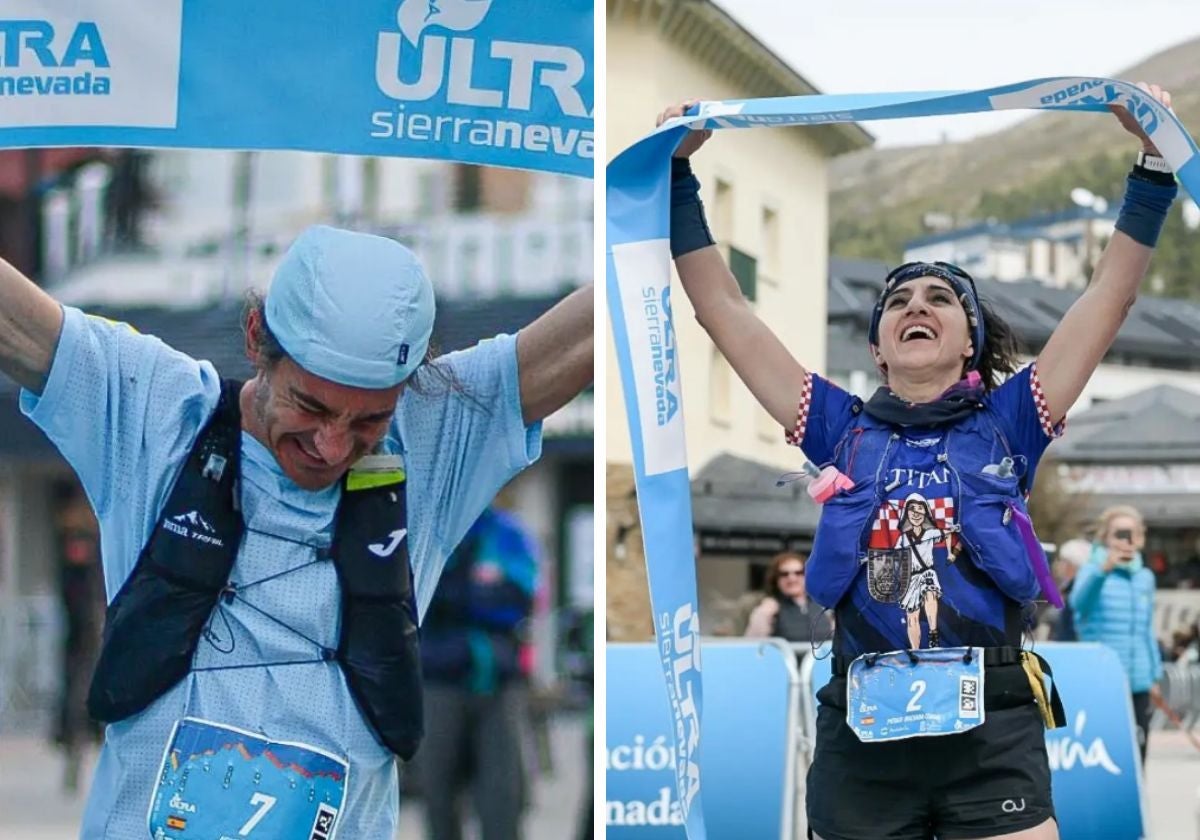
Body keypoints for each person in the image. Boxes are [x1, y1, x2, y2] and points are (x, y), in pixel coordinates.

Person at [658, 82, 1178, 840]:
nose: (916, 306)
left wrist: (1154, 167)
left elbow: (1106, 299)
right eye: (897, 301)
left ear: (967, 340)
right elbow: (725, 312)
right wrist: (674, 178)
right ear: (877, 347)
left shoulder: (1011, 423)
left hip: (992, 730)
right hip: (861, 736)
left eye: (940, 298)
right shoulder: (836, 428)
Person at [0, 224, 592, 838]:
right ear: (257, 338)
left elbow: (589, 329)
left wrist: (660, 183)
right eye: (309, 405)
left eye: (369, 420)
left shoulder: (431, 441)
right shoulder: (153, 411)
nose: (332, 446)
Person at [415, 504, 540, 840]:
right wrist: (475, 589)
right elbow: (415, 598)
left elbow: (519, 599)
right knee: (438, 795)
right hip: (437, 682)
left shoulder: (506, 533)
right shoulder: (427, 526)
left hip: (497, 683)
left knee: (502, 796)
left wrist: (456, 590)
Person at [1070, 506, 1164, 765]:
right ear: (1105, 538)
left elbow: (1147, 629)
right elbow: (1079, 604)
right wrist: (1104, 570)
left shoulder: (1144, 577)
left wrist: (1154, 675)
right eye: (1119, 534)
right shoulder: (1092, 571)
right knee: (1108, 755)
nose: (1127, 541)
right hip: (1104, 681)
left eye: (1133, 534)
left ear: (1141, 538)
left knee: (1139, 753)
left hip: (1139, 682)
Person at [53, 481, 105, 794]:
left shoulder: (84, 545)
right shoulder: (81, 544)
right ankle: (75, 759)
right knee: (79, 699)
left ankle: (77, 760)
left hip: (84, 638)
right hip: (84, 638)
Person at [744, 551, 834, 644]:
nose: (792, 578)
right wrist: (763, 614)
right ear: (776, 579)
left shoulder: (823, 606)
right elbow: (753, 646)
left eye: (798, 573)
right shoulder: (768, 609)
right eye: (784, 574)